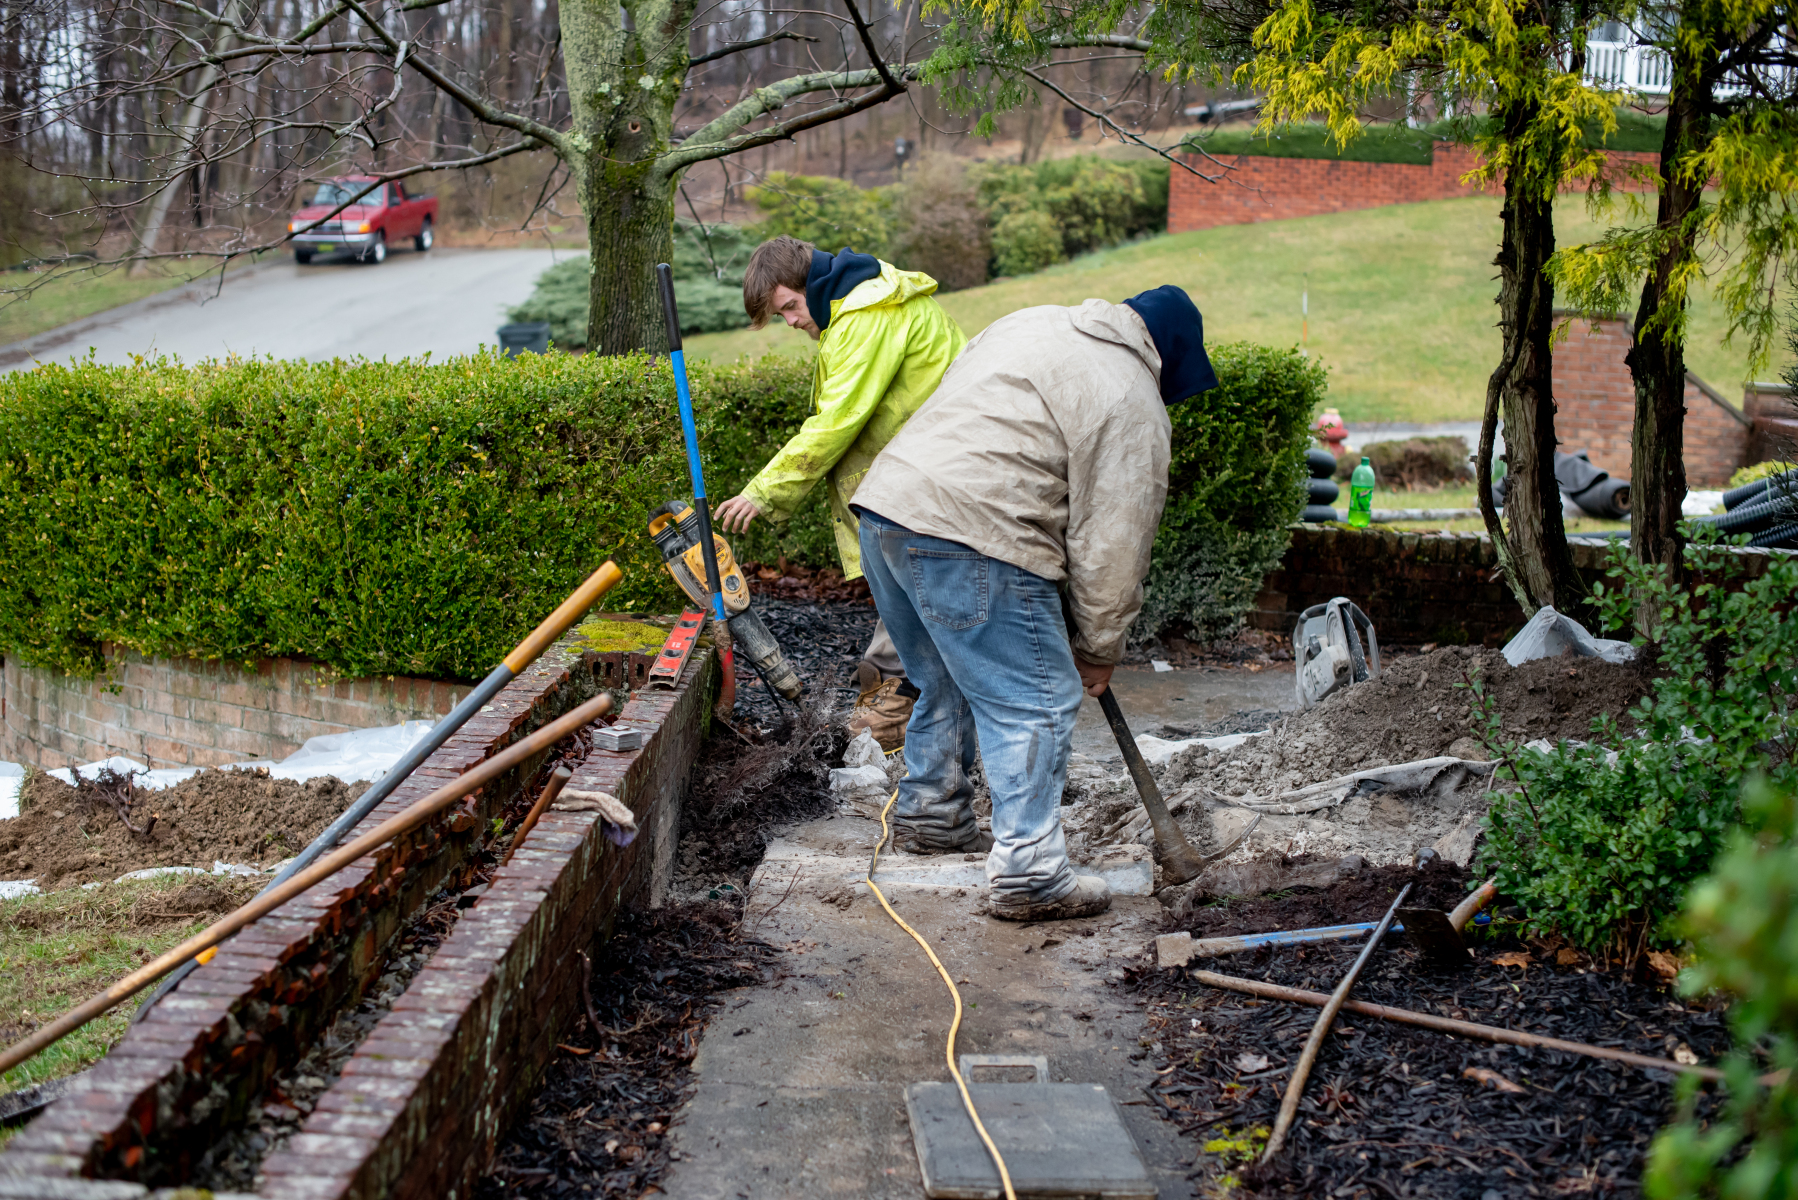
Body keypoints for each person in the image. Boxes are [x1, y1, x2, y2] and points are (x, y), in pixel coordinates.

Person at [849, 286, 1217, 921]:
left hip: (887, 513)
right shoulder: (1131, 396)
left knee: (945, 677)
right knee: (1034, 701)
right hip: (973, 535)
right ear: (1169, 359)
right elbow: (1113, 542)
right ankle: (1031, 873)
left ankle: (932, 814)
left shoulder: (1030, 323)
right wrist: (1098, 648)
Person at [713, 235, 966, 750]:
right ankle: (900, 697)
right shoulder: (858, 307)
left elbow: (836, 422)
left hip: (933, 476)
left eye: (789, 306)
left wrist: (763, 492)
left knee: (915, 590)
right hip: (923, 471)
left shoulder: (866, 316)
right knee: (909, 589)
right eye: (780, 315)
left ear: (811, 284)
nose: (790, 321)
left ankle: (899, 705)